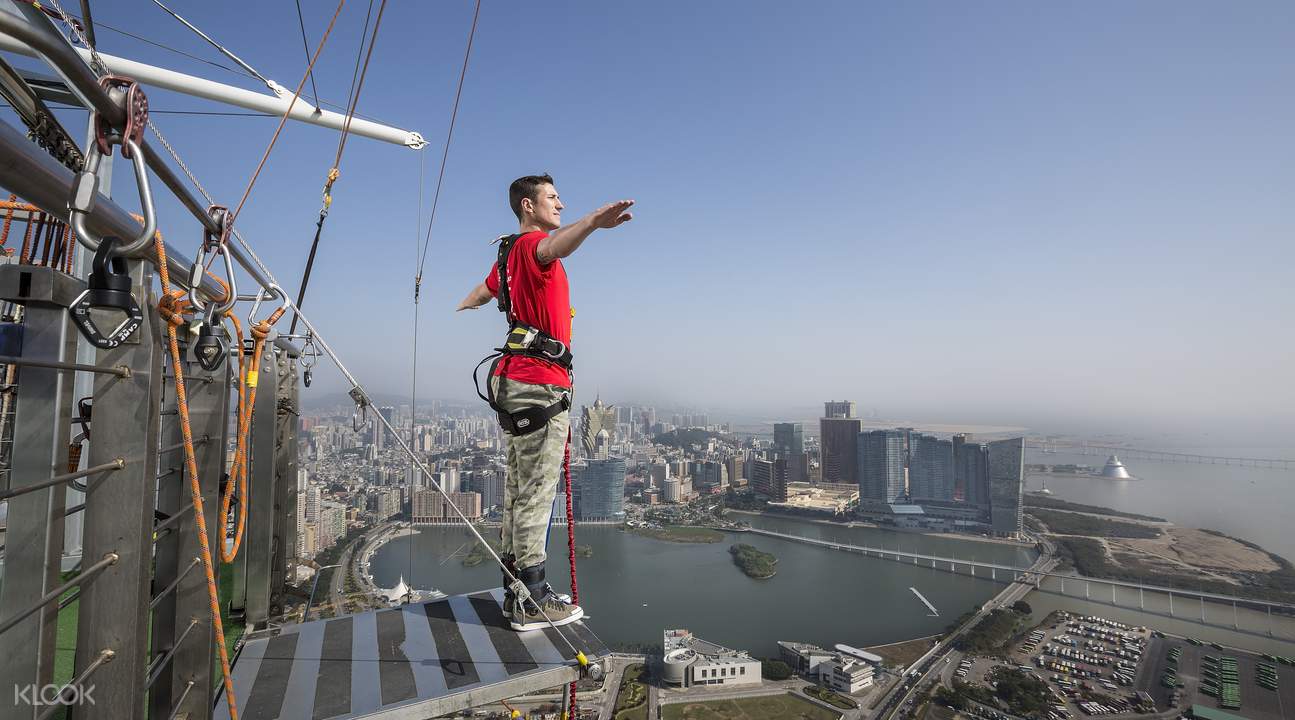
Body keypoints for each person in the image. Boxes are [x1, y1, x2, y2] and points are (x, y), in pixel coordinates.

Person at [457, 174, 632, 631]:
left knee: (518, 488)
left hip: (514, 380)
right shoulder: (531, 248)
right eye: (552, 198)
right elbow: (553, 248)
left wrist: (462, 307)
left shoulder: (505, 257)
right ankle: (531, 597)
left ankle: (514, 585)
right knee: (537, 491)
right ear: (528, 205)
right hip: (540, 383)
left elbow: (483, 292)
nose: (560, 203)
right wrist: (593, 221)